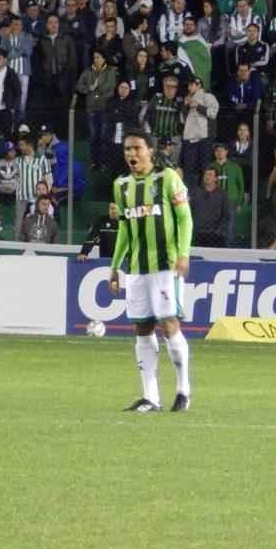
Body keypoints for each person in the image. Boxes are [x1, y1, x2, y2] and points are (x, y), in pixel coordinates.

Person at [109, 128, 194, 413]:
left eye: (137, 148)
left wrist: (183, 255)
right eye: (127, 150)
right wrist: (114, 266)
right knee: (142, 327)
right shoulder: (120, 185)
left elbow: (185, 219)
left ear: (150, 151)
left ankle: (183, 390)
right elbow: (124, 228)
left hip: (164, 265)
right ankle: (151, 397)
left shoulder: (168, 178)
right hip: (136, 268)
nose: (131, 154)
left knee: (169, 323)